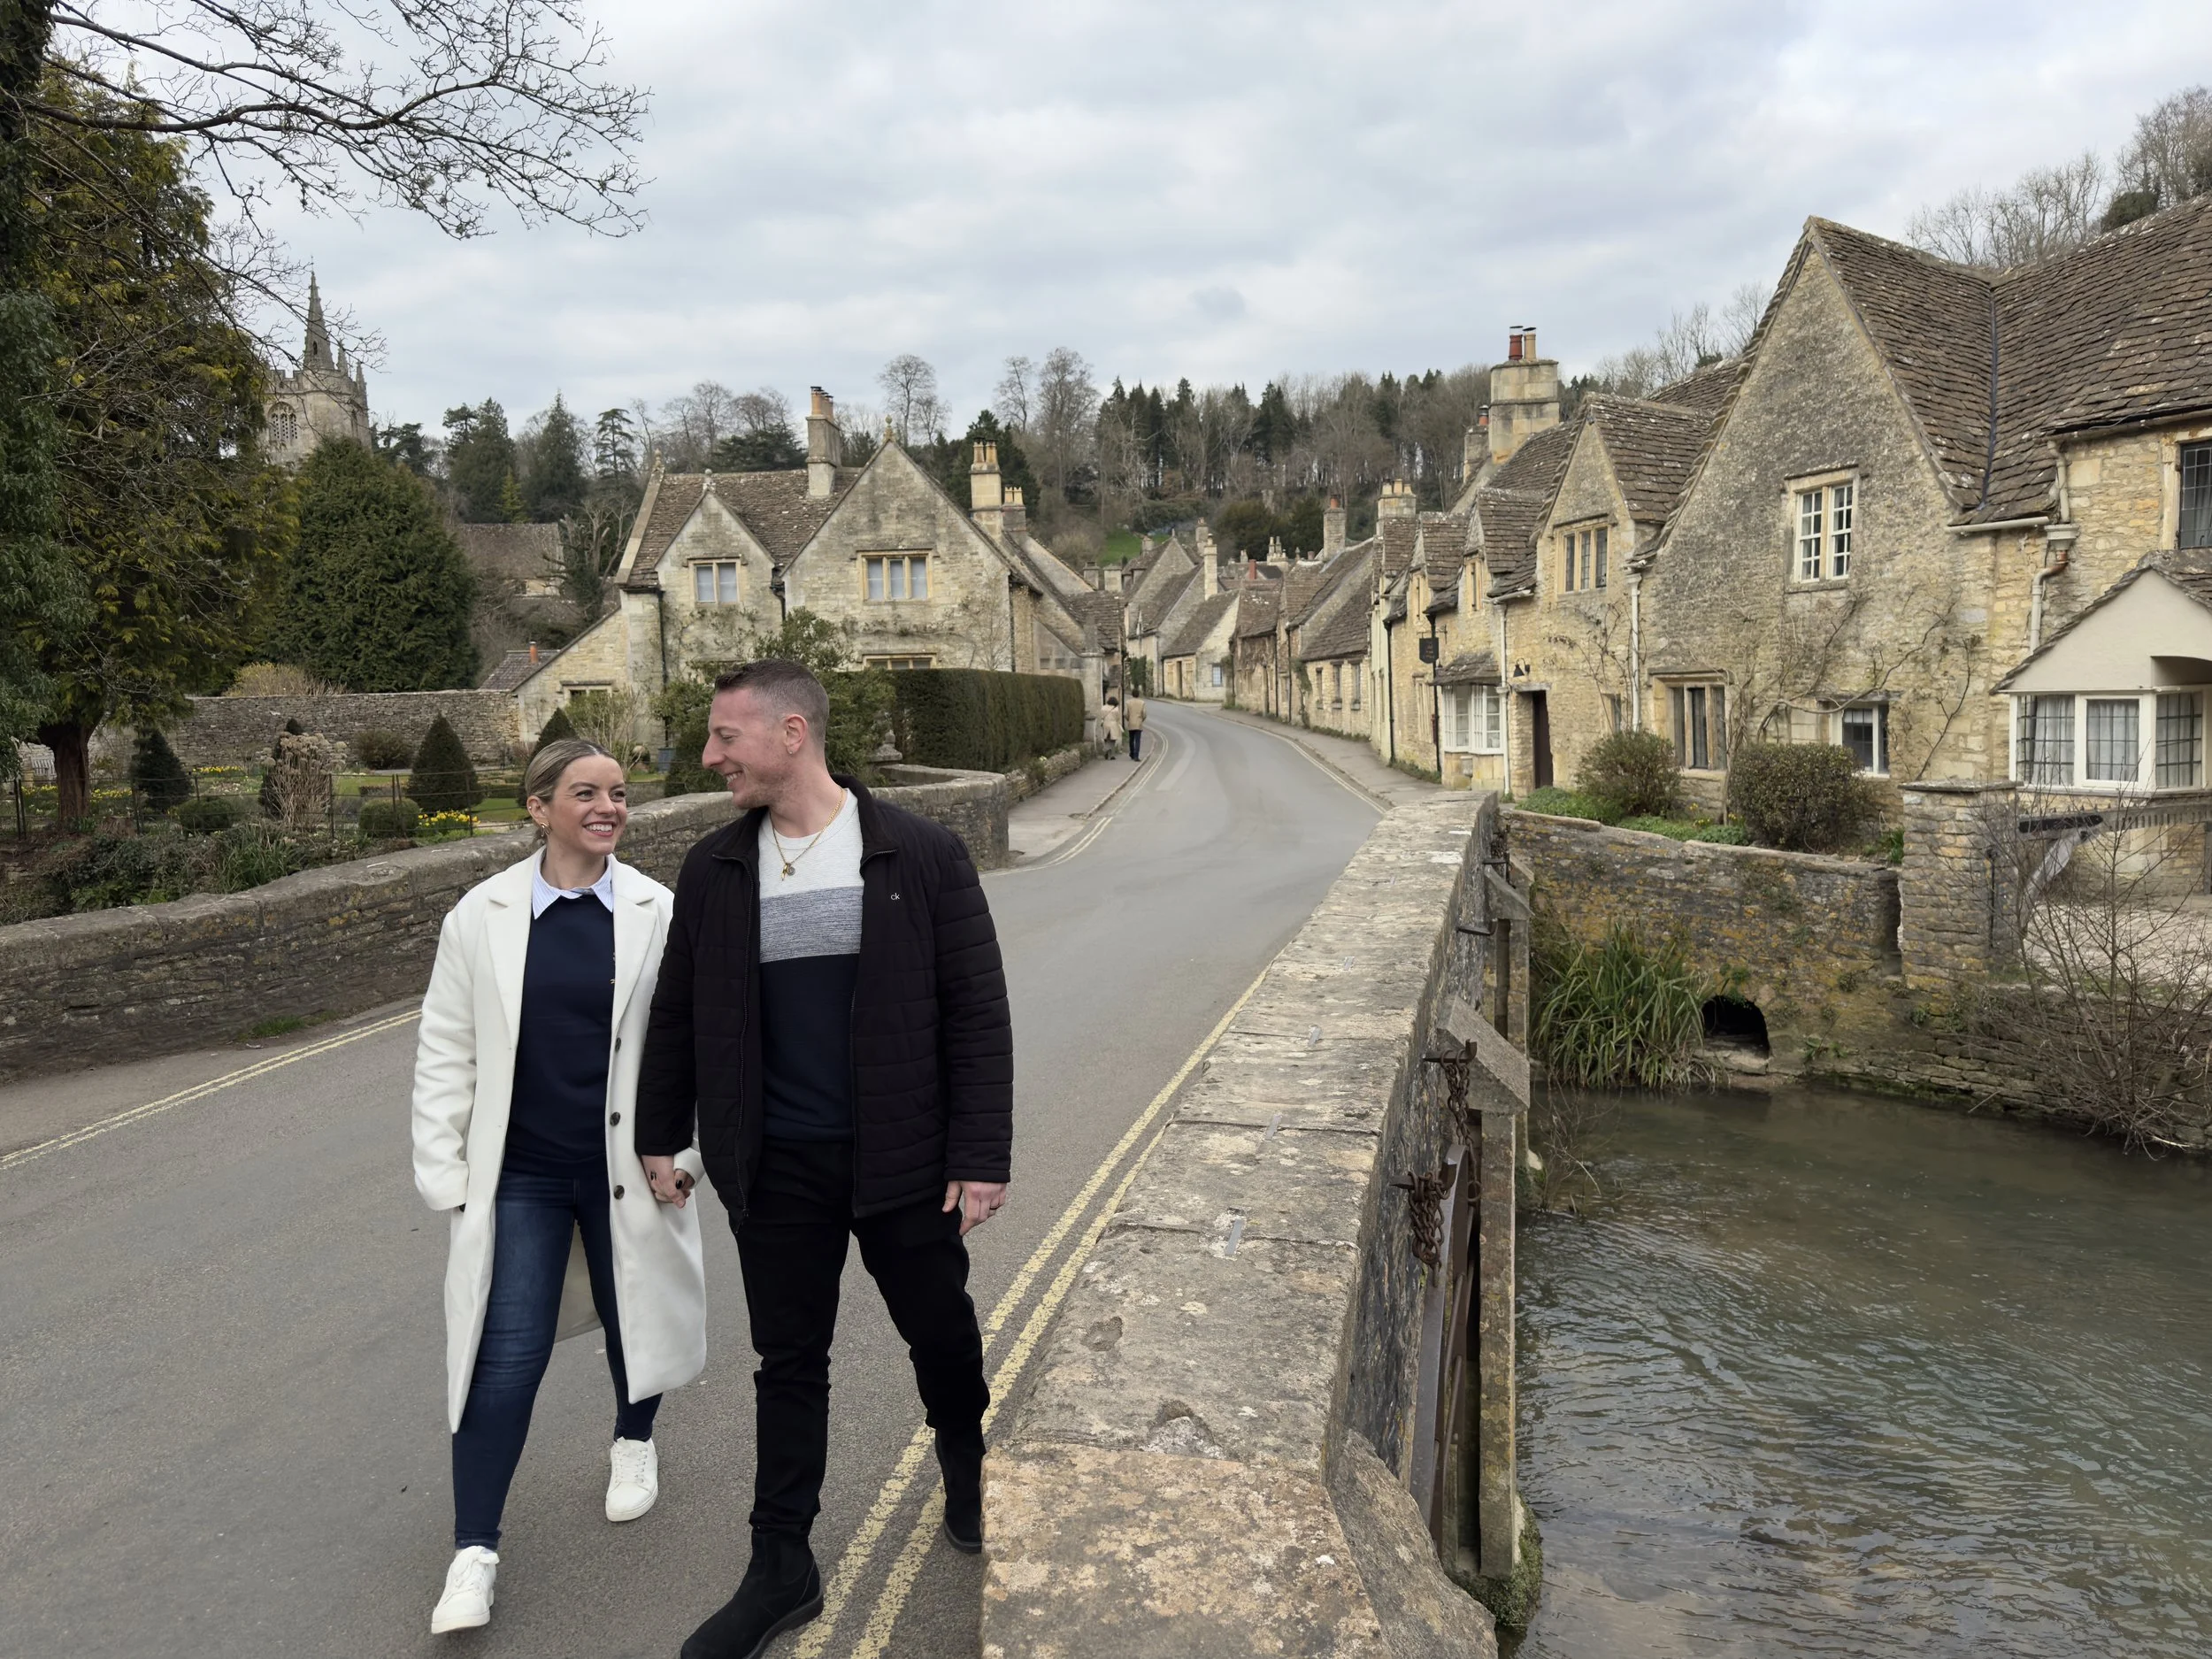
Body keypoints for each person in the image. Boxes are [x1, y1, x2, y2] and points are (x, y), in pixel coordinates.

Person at [636, 660, 1012, 1659]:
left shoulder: (920, 854)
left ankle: (965, 1458)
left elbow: (977, 1014)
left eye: (726, 737)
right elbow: (678, 1014)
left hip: (906, 1159)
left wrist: (980, 1154)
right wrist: (659, 1133)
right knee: (788, 1361)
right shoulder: (716, 869)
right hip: (775, 1167)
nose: (710, 756)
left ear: (792, 733)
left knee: (940, 1332)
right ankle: (781, 1562)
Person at [411, 738, 708, 1636]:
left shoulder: (658, 910)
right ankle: (474, 1552)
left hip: (629, 1167)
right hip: (522, 1173)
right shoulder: (481, 915)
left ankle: (634, 1440)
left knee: (633, 1314)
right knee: (501, 1353)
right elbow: (446, 1046)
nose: (609, 807)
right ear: (538, 809)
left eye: (618, 792)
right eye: (585, 793)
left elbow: (690, 1044)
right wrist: (446, 1172)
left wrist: (681, 1151)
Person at [1125, 689, 1148, 761]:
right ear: (1138, 695)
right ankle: (1136, 756)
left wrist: (1128, 719)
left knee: (1131, 739)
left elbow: (1125, 713)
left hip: (1131, 722)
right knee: (1137, 740)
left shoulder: (1128, 702)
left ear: (1132, 694)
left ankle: (1132, 753)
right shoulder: (1142, 703)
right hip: (1138, 723)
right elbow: (1144, 714)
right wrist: (1141, 719)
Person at [1101, 694, 1123, 758]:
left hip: (1105, 724)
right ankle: (1105, 749)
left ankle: (1110, 755)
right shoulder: (1116, 709)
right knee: (1112, 740)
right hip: (1113, 725)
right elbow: (1118, 718)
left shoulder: (1103, 707)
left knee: (1106, 739)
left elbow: (1102, 716)